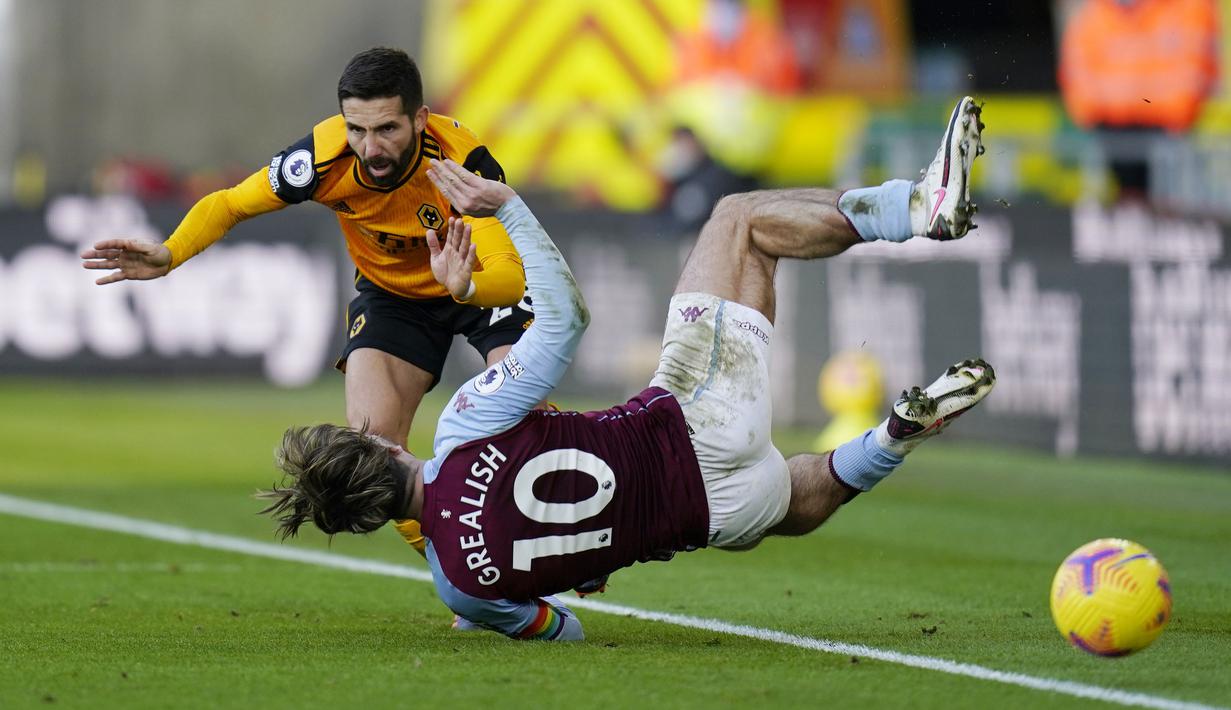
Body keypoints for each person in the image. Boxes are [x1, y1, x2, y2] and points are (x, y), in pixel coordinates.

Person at [259, 97, 994, 641]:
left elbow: (562, 630)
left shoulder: (461, 590)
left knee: (793, 504)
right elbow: (565, 321)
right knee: (738, 220)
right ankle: (917, 209)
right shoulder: (462, 427)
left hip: (708, 519)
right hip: (687, 421)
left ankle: (891, 439)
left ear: (366, 519)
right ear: (383, 445)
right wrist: (511, 210)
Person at [79, 48, 533, 553]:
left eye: (387, 129)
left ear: (421, 119)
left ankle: (566, 538)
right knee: (374, 459)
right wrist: (170, 252)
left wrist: (465, 286)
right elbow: (229, 203)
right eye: (357, 130)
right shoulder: (318, 159)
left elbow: (510, 279)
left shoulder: (464, 164)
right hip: (394, 296)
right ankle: (465, 575)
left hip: (476, 284)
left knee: (525, 422)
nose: (371, 148)